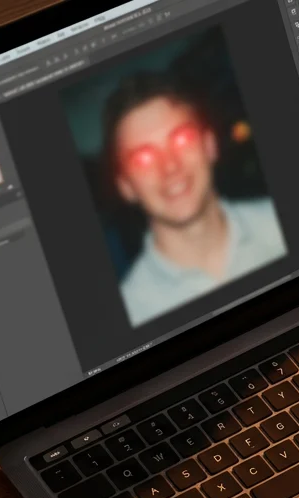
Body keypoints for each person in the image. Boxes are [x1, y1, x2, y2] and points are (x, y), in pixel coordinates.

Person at [103, 72, 287, 326]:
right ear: (126, 187)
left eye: (181, 139)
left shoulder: (283, 224)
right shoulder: (133, 312)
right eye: (143, 159)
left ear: (210, 145)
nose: (169, 167)